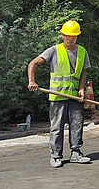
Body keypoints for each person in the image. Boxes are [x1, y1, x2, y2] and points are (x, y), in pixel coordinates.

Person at [27, 20, 91, 168]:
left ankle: (76, 153)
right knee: (57, 127)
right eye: (67, 35)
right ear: (62, 35)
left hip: (75, 96)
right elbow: (33, 63)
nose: (70, 38)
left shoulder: (82, 51)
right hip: (57, 96)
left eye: (73, 36)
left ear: (77, 36)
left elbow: (83, 71)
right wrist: (32, 81)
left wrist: (82, 89)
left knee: (77, 125)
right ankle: (55, 156)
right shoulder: (54, 51)